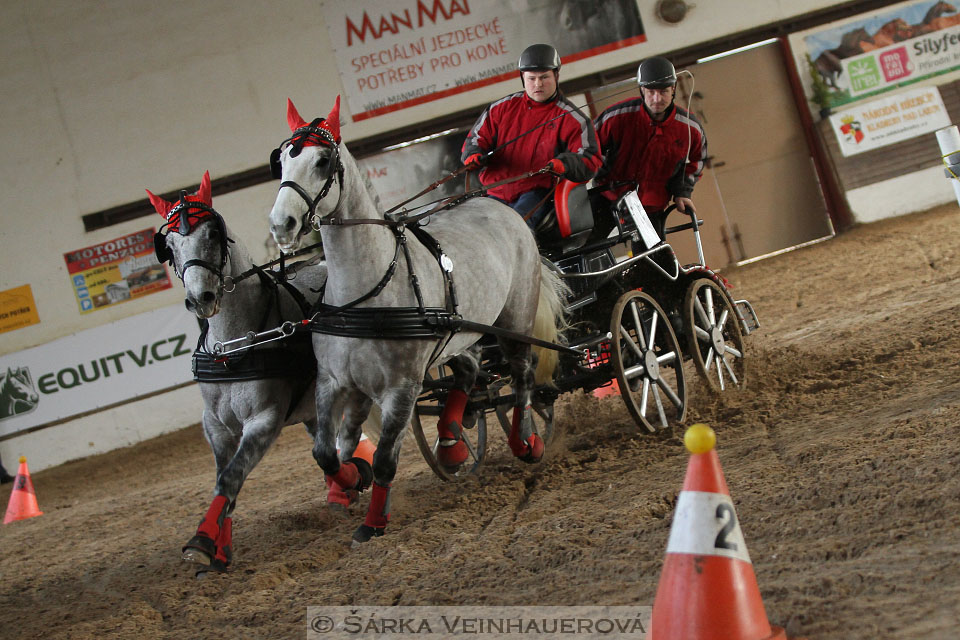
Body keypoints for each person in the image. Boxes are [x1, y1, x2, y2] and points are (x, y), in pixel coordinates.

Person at [461, 43, 601, 230]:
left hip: (535, 194)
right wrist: (473, 153)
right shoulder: (501, 108)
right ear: (522, 78)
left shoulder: (573, 119)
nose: (538, 84)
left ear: (556, 76)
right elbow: (475, 138)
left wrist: (565, 163)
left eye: (544, 77)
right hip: (494, 194)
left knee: (514, 230)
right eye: (532, 78)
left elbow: (590, 159)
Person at [592, 56, 707, 240]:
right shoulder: (616, 117)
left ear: (674, 89)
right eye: (651, 92)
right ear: (641, 90)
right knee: (585, 250)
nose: (657, 99)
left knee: (654, 264)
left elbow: (698, 161)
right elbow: (587, 147)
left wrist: (682, 192)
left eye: (663, 92)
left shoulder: (690, 128)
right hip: (608, 198)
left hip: (651, 206)